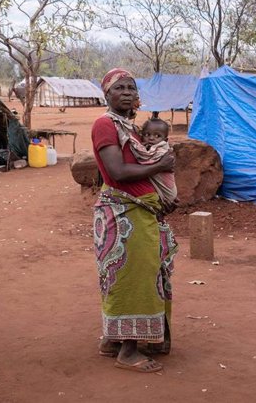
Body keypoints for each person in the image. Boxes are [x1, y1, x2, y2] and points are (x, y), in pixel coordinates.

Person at [91, 68, 178, 373]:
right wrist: (161, 166)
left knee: (132, 275)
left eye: (131, 87)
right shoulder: (105, 125)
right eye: (119, 87)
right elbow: (117, 172)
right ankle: (128, 351)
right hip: (124, 213)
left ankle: (113, 340)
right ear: (107, 94)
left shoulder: (129, 127)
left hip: (139, 211)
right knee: (133, 278)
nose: (126, 91)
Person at [129, 118, 178, 211]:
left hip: (167, 191)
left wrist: (138, 147)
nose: (151, 138)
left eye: (157, 136)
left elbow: (146, 161)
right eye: (147, 134)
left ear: (165, 139)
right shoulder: (150, 148)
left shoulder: (162, 149)